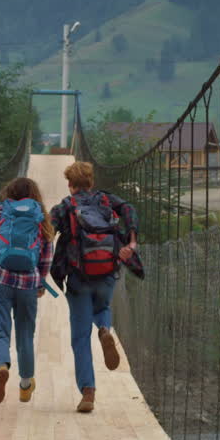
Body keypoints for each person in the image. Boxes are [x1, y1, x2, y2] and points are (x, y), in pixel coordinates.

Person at [49, 160, 140, 413]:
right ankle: (103, 329)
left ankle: (88, 392)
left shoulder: (66, 205)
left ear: (70, 184)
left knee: (80, 338)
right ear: (91, 182)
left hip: (79, 275)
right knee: (102, 308)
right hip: (107, 270)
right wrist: (131, 239)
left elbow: (46, 230)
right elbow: (129, 209)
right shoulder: (106, 200)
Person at [0, 177, 56, 404]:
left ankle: (2, 366)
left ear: (10, 193)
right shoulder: (40, 216)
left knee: (1, 331)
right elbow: (46, 255)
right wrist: (40, 283)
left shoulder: (0, 212)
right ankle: (25, 385)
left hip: (0, 279)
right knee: (25, 335)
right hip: (28, 284)